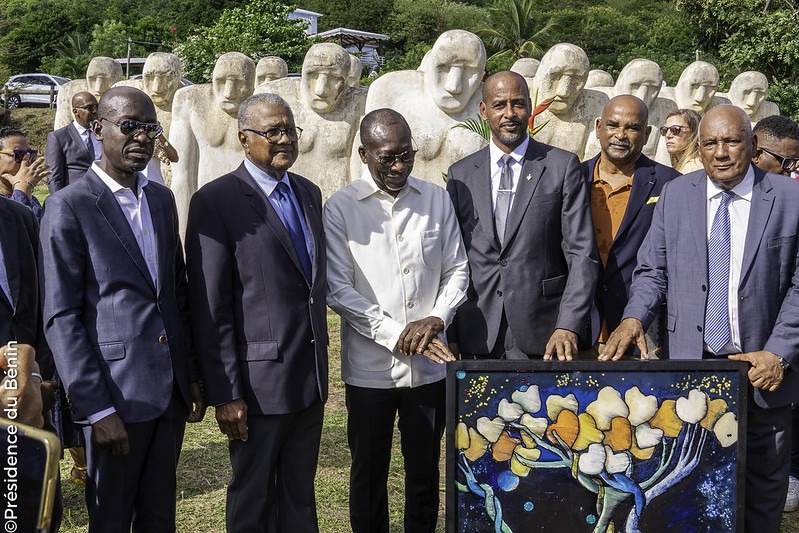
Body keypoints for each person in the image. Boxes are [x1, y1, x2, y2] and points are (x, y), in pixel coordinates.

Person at [601, 105, 799, 533]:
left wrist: (779, 353)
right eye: (710, 143)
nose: (721, 153)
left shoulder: (789, 198)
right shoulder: (677, 194)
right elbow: (654, 270)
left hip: (762, 373)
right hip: (693, 371)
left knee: (762, 492)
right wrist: (634, 318)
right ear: (699, 147)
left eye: (731, 141)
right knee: (692, 489)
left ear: (752, 144)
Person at [39, 86, 205, 532]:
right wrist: (96, 409)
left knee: (159, 518)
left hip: (167, 396)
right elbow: (61, 318)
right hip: (115, 399)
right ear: (98, 129)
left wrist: (188, 374)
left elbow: (175, 293)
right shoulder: (67, 207)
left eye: (149, 128)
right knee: (111, 520)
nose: (141, 137)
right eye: (128, 126)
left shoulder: (161, 200)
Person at [186, 93, 328, 533]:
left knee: (300, 497)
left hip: (310, 378)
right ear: (245, 139)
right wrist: (226, 393)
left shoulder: (308, 192)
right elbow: (211, 306)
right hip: (256, 386)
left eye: (290, 130)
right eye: (273, 132)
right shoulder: (216, 201)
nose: (285, 139)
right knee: (253, 498)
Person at [325, 109, 469, 532]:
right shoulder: (341, 208)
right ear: (363, 154)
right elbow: (338, 289)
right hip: (370, 372)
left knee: (424, 475)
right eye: (387, 157)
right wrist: (398, 334)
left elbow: (457, 270)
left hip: (428, 373)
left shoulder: (435, 198)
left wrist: (436, 319)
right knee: (368, 474)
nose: (399, 166)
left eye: (406, 155)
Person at [446, 71, 599, 360]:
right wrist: (451, 331)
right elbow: (452, 257)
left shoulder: (561, 166)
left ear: (529, 107)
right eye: (499, 105)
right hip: (476, 331)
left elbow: (581, 253)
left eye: (517, 104)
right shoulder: (461, 175)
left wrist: (568, 325)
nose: (509, 113)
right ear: (483, 111)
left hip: (545, 332)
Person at [582, 95, 680, 351]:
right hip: (578, 327)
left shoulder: (671, 184)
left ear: (647, 134)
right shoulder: (572, 178)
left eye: (632, 127)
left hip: (642, 329)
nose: (621, 135)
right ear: (598, 127)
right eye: (613, 125)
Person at [750, 114, 799, 514]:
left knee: (767, 478)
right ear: (755, 149)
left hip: (774, 362)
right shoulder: (695, 196)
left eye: (794, 164)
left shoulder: (792, 201)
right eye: (784, 162)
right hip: (708, 357)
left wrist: (778, 351)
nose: (790, 172)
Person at [170, 52, 255, 239]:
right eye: (222, 81)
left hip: (254, 213)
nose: (229, 92)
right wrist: (182, 237)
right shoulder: (190, 101)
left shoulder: (262, 108)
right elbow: (181, 176)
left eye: (239, 82)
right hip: (207, 211)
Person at [46, 91, 100, 193]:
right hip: (75, 196)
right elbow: (53, 177)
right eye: (90, 108)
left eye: (97, 107)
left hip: (103, 195)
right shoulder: (58, 137)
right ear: (76, 111)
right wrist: (59, 202)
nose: (95, 111)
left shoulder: (103, 133)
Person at [0, 127, 50, 218]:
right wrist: (22, 190)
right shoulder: (25, 192)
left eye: (31, 154)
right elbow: (13, 228)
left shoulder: (31, 199)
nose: (27, 161)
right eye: (19, 155)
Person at [661, 109, 702, 173]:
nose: (668, 135)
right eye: (665, 130)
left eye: (675, 129)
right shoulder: (682, 167)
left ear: (694, 132)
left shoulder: (692, 168)